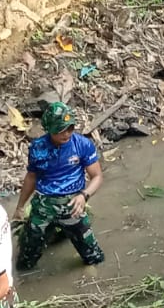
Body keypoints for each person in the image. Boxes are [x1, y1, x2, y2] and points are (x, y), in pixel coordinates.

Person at [14, 101, 106, 271]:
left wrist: (84, 195)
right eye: (61, 130)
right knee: (26, 259)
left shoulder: (82, 145)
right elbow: (31, 177)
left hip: (73, 205)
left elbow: (97, 176)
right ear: (49, 129)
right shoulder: (38, 148)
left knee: (93, 256)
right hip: (43, 205)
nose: (66, 134)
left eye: (70, 128)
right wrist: (20, 207)